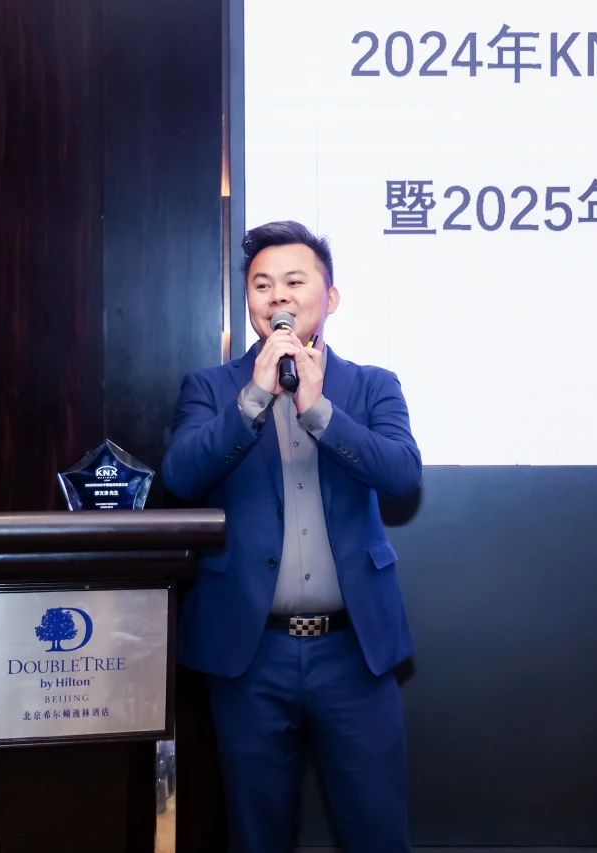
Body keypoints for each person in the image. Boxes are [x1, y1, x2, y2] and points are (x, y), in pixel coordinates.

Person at [163, 220, 421, 851]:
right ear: (249, 303)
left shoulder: (372, 385)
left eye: (295, 282)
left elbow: (402, 477)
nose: (278, 296)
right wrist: (253, 397)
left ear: (329, 298)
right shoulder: (211, 389)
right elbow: (181, 476)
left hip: (353, 652)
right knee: (258, 835)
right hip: (250, 654)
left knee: (377, 832)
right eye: (262, 285)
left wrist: (319, 410)